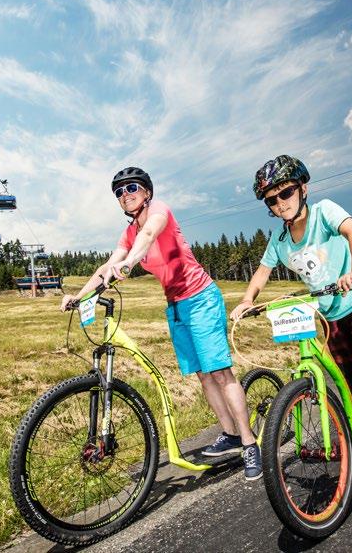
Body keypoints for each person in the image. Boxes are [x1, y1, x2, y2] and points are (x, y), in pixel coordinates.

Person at [60, 167, 262, 480]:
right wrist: (80, 295)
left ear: (147, 192)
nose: (125, 195)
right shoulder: (128, 233)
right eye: (119, 192)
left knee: (220, 372)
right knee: (202, 375)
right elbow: (108, 265)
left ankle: (249, 444)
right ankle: (230, 435)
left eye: (131, 188)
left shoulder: (159, 211)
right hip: (177, 306)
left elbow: (150, 234)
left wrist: (129, 263)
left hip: (201, 298)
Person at [231, 155, 352, 469]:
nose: (280, 203)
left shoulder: (324, 211)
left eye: (285, 193)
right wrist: (248, 300)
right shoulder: (278, 240)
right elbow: (263, 271)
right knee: (351, 381)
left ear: (303, 188)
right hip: (329, 314)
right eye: (271, 200)